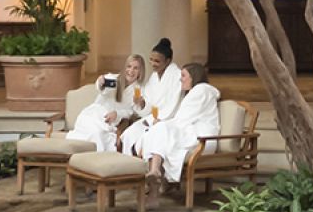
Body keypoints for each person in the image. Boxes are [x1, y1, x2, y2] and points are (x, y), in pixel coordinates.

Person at [134, 62, 222, 193]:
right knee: (160, 132)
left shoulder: (201, 90)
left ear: (194, 76)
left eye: (183, 75)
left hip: (203, 140)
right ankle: (155, 176)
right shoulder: (194, 92)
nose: (180, 79)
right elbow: (182, 121)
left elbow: (182, 120)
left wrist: (160, 126)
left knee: (161, 130)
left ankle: (155, 172)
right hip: (191, 135)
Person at [68, 54, 149, 152]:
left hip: (111, 122)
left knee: (102, 136)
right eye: (129, 66)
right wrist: (101, 82)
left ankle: (96, 161)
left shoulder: (139, 90)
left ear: (140, 72)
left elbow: (131, 112)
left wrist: (118, 113)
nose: (131, 71)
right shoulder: (113, 78)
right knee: (96, 133)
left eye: (136, 68)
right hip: (94, 115)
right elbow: (101, 88)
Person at [119, 38, 182, 154]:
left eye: (157, 61)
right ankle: (128, 167)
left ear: (168, 61)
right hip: (152, 118)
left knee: (145, 139)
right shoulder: (154, 77)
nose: (153, 64)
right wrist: (142, 103)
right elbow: (148, 100)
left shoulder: (177, 76)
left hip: (167, 120)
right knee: (129, 134)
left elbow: (175, 103)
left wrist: (161, 119)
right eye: (151, 60)